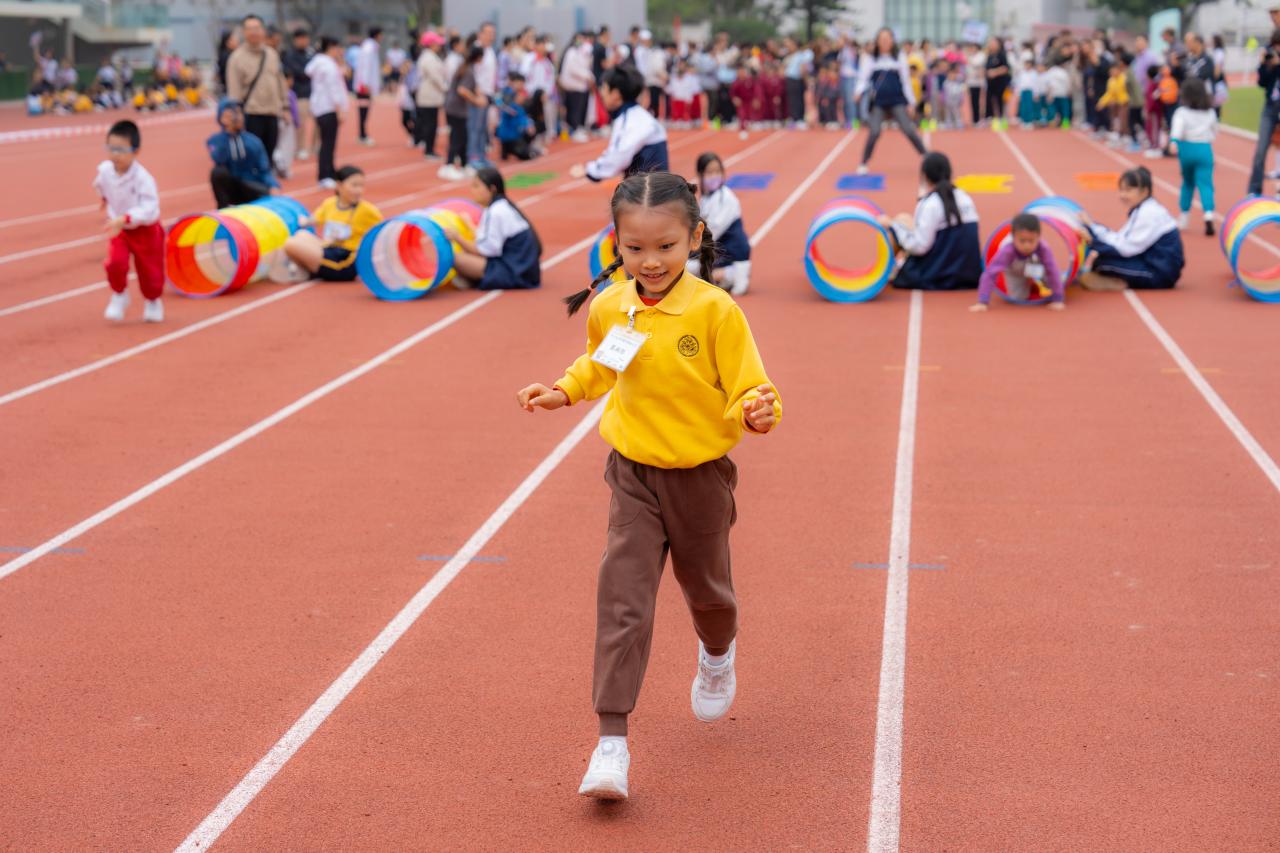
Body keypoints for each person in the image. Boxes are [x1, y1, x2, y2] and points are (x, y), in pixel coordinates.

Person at [516, 171, 781, 801]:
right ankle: (611, 743)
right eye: (635, 248)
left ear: (693, 237)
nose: (651, 261)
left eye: (665, 246)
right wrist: (564, 391)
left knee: (709, 594)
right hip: (633, 475)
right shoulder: (613, 305)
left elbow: (752, 385)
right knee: (623, 599)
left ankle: (717, 653)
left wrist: (758, 410)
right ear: (617, 243)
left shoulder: (716, 311)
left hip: (700, 479)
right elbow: (602, 363)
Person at [94, 120, 164, 323]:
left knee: (150, 271)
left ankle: (153, 300)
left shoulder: (143, 178)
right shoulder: (105, 170)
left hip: (145, 230)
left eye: (121, 150)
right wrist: (104, 199)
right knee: (115, 262)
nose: (115, 155)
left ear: (135, 151)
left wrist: (126, 218)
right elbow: (100, 185)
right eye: (111, 148)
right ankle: (119, 295)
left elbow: (149, 207)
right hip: (120, 229)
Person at [881, 151, 981, 291]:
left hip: (937, 275)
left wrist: (893, 226)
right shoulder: (965, 197)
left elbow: (920, 246)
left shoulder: (930, 203)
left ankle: (885, 272)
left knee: (897, 224)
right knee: (905, 220)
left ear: (925, 176)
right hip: (969, 273)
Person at [1078, 167, 1184, 291]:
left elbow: (1125, 249)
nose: (1122, 195)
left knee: (1102, 264)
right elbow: (1120, 238)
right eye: (1121, 190)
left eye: (1128, 190)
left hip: (1161, 274)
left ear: (1144, 191)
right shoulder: (1142, 208)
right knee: (1102, 259)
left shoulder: (1149, 213)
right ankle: (1116, 279)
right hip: (1153, 262)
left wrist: (1093, 242)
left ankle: (1122, 283)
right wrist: (1092, 226)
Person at [444, 167, 541, 289]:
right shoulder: (501, 205)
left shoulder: (495, 212)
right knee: (467, 252)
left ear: (492, 189)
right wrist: (468, 223)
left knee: (453, 257)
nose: (472, 190)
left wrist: (457, 238)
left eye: (476, 186)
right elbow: (484, 238)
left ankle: (476, 279)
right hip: (523, 268)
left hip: (515, 271)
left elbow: (485, 250)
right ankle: (473, 278)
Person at [282, 165, 382, 282]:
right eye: (354, 185)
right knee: (302, 234)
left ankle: (306, 270)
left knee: (290, 244)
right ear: (339, 185)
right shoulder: (330, 203)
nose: (359, 190)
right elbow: (313, 220)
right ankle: (307, 269)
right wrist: (302, 221)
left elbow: (383, 230)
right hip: (330, 249)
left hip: (345, 260)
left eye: (361, 186)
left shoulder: (367, 210)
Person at [570, 66, 669, 182]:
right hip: (653, 186)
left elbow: (617, 157)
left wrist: (589, 170)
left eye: (604, 88)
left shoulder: (630, 120)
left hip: (649, 188)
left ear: (615, 94)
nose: (601, 93)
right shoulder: (636, 115)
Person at [855, 28, 928, 175]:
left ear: (892, 40)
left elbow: (906, 82)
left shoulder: (899, 56)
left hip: (897, 100)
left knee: (908, 129)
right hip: (879, 102)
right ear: (877, 41)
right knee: (874, 131)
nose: (885, 41)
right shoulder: (871, 58)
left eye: (887, 38)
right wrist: (857, 92)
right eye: (882, 39)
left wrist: (911, 103)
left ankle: (927, 157)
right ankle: (863, 162)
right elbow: (863, 79)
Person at [224, 15, 288, 167]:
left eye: (257, 28)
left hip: (272, 113)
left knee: (269, 156)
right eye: (250, 29)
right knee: (252, 158)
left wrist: (286, 107)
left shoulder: (272, 54)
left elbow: (280, 82)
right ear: (243, 32)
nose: (254, 32)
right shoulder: (236, 58)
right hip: (251, 114)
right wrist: (236, 115)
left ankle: (267, 181)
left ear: (263, 30)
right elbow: (234, 90)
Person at [972, 213, 1064, 311]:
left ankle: (1055, 281)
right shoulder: (1007, 251)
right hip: (1015, 272)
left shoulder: (1043, 248)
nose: (1027, 246)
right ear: (1013, 237)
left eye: (1031, 241)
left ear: (1038, 237)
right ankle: (1030, 285)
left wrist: (1058, 299)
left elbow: (1052, 270)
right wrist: (983, 301)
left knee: (1058, 281)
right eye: (1022, 241)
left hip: (1038, 267)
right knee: (1018, 297)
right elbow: (991, 272)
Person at [691, 152, 751, 295]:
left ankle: (732, 273)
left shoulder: (726, 197)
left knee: (687, 267)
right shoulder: (706, 197)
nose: (714, 176)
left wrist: (689, 249)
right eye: (709, 172)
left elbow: (712, 232)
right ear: (700, 174)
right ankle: (722, 275)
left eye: (717, 171)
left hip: (733, 254)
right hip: (720, 250)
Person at [207, 98, 279, 207]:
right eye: (232, 114)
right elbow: (219, 159)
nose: (238, 117)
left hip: (249, 184)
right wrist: (228, 133)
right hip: (232, 186)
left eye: (239, 113)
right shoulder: (215, 140)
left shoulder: (253, 141)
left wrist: (273, 185)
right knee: (217, 172)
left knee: (266, 193)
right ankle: (224, 208)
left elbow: (264, 168)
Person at [1169, 78, 1218, 236]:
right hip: (1204, 149)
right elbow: (1214, 131)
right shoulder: (1210, 112)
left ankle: (1184, 216)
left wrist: (1174, 142)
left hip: (1187, 150)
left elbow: (1177, 129)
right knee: (1206, 184)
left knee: (1188, 183)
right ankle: (1208, 213)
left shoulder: (1181, 112)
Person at [306, 36, 348, 189]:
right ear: (331, 48)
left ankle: (329, 171)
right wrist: (339, 109)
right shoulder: (328, 66)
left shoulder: (319, 63)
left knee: (327, 142)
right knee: (328, 143)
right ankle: (325, 175)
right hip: (328, 108)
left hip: (320, 107)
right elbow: (333, 89)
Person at [1248, 28, 1280, 194]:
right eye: (1276, 46)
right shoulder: (1270, 58)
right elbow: (1262, 83)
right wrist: (1263, 65)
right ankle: (1254, 190)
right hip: (1270, 107)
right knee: (1260, 150)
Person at [283, 29, 315, 160]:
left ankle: (315, 147)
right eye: (301, 38)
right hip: (299, 94)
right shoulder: (290, 55)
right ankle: (299, 148)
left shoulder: (311, 53)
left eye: (305, 38)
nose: (304, 41)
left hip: (314, 93)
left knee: (320, 122)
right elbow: (299, 73)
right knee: (300, 123)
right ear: (295, 40)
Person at [415, 31, 448, 160]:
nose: (439, 46)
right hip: (429, 96)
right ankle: (429, 150)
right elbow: (435, 77)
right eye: (437, 43)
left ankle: (429, 149)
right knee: (430, 124)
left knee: (432, 123)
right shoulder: (428, 58)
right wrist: (445, 88)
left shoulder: (430, 56)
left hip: (431, 95)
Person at [560, 33, 595, 141]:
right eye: (579, 39)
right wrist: (587, 76)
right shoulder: (571, 52)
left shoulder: (580, 52)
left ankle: (579, 127)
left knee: (580, 108)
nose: (581, 41)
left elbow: (586, 66)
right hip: (573, 86)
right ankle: (574, 130)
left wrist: (589, 76)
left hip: (581, 86)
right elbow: (573, 69)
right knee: (574, 109)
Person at [494, 72, 537, 160]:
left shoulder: (519, 96)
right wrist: (512, 110)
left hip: (516, 130)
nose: (522, 86)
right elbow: (499, 104)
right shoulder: (507, 94)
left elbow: (523, 115)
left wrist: (528, 123)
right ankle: (508, 148)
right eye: (520, 83)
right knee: (526, 155)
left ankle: (514, 148)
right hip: (507, 131)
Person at [353, 27, 383, 145]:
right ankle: (362, 135)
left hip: (365, 84)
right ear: (377, 35)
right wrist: (365, 83)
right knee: (363, 110)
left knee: (364, 110)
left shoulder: (370, 47)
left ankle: (362, 134)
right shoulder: (369, 48)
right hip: (364, 85)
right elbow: (366, 66)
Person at [984, 36, 1011, 129]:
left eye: (993, 43)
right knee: (989, 100)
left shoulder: (1002, 55)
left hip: (1001, 82)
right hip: (990, 83)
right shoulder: (989, 55)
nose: (991, 45)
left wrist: (994, 72)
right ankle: (990, 118)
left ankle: (1002, 119)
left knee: (1001, 101)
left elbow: (1006, 68)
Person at [1015, 57, 1041, 127]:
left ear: (1031, 65)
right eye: (1026, 64)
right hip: (1023, 91)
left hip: (1030, 91)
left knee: (1029, 107)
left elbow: (1036, 84)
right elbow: (1019, 84)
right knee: (1023, 107)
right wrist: (1018, 93)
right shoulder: (1022, 73)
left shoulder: (1034, 73)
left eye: (1028, 64)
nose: (1027, 66)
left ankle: (1029, 121)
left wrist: (1036, 93)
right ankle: (1024, 121)